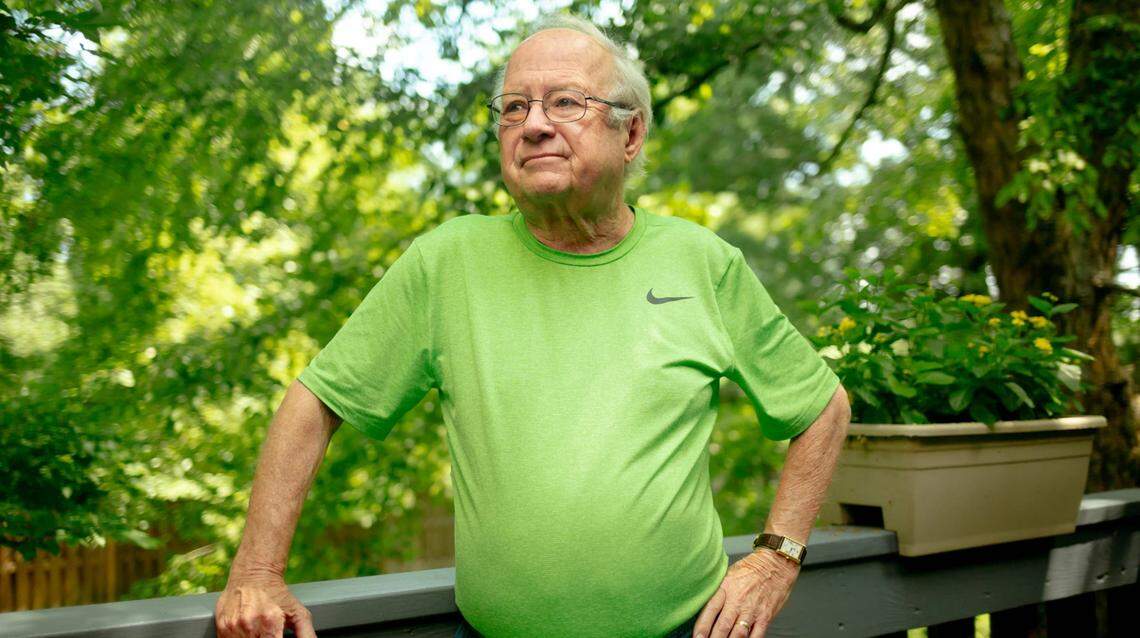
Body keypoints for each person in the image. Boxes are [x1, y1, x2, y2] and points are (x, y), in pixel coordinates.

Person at [214, 12, 851, 638]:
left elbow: (822, 407)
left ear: (630, 136)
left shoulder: (700, 261)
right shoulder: (448, 262)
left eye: (565, 102)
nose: (534, 125)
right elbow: (316, 400)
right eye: (514, 108)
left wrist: (777, 555)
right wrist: (257, 571)